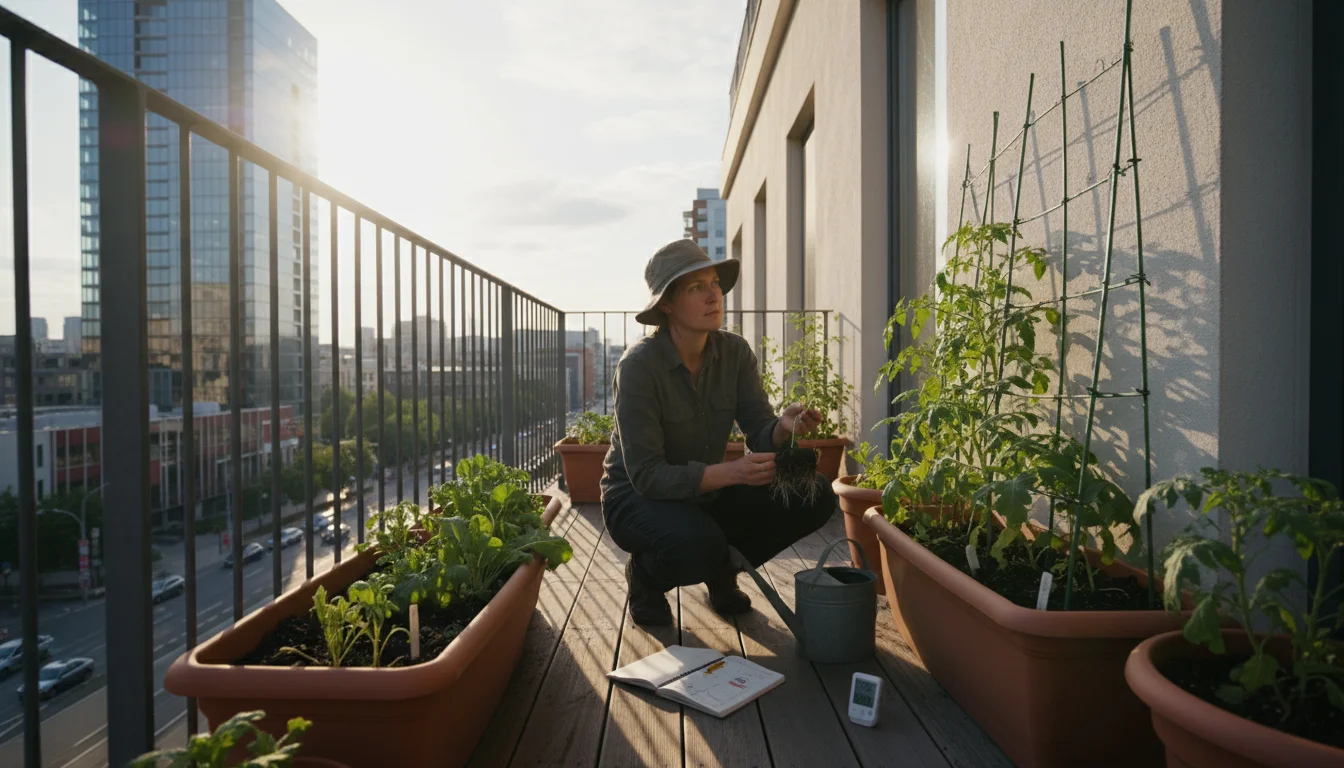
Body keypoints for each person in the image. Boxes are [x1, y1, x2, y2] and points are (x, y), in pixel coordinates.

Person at [600, 239, 837, 626]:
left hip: (706, 489)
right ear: (667, 304)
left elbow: (758, 430)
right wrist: (733, 473)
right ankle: (646, 577)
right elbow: (646, 475)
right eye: (696, 288)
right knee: (696, 544)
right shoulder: (639, 367)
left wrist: (780, 428)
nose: (714, 295)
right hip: (637, 498)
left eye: (715, 283)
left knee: (815, 494)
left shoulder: (735, 353)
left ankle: (721, 570)